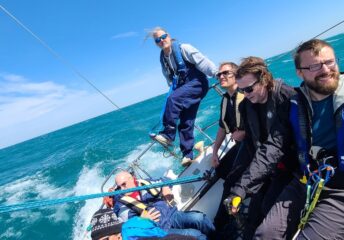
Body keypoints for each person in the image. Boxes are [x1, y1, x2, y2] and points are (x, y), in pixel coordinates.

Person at [226, 39, 344, 239]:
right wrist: (240, 189)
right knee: (264, 234)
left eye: (330, 62)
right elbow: (273, 146)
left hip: (340, 188)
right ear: (300, 72)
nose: (325, 70)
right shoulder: (295, 104)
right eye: (315, 66)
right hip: (307, 178)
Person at [219, 57, 296, 239]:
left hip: (291, 170)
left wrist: (242, 187)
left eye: (249, 89)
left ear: (263, 79)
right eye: (242, 90)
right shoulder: (247, 106)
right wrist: (239, 187)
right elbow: (252, 146)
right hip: (267, 169)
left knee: (267, 209)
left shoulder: (286, 98)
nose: (246, 94)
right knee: (253, 217)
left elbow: (275, 146)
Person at [150, 27, 217, 163]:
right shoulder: (163, 59)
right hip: (184, 88)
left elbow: (202, 61)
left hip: (197, 83)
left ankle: (168, 135)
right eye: (158, 40)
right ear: (156, 43)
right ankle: (187, 155)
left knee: (173, 99)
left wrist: (217, 73)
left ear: (168, 35)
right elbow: (169, 80)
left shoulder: (183, 48)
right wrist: (177, 91)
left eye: (163, 37)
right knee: (185, 120)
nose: (162, 41)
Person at [104, 171, 215, 240]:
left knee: (199, 218)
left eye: (124, 184)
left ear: (132, 179)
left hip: (171, 214)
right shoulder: (121, 205)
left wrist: (165, 187)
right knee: (194, 235)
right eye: (119, 187)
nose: (122, 189)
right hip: (159, 228)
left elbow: (165, 180)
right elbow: (126, 224)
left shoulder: (145, 183)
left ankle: (216, 235)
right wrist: (142, 219)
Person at [210, 62, 245, 232]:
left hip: (254, 145)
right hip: (240, 144)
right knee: (221, 170)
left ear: (236, 74)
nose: (221, 77)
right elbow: (223, 127)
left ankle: (220, 224)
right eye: (219, 74)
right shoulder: (225, 99)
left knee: (230, 181)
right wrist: (215, 152)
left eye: (225, 73)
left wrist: (244, 132)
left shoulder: (246, 93)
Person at [90, 208, 197, 240]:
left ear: (118, 235)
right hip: (160, 228)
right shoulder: (120, 202)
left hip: (165, 219)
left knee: (197, 220)